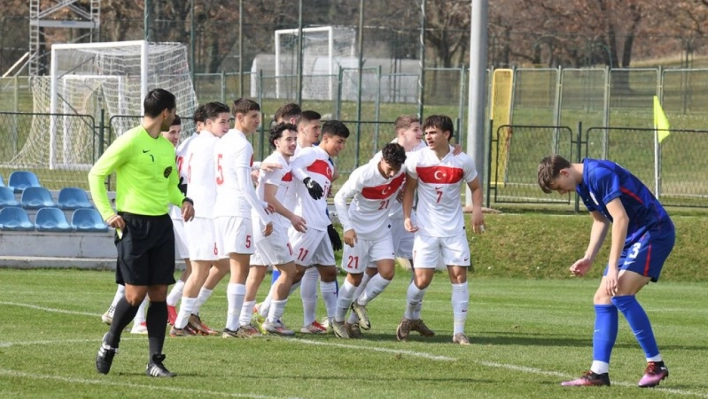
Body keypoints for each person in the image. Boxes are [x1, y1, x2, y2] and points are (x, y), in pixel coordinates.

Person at [537, 155, 674, 388]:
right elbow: (601, 221)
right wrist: (589, 257)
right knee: (602, 297)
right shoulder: (582, 184)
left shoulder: (598, 174)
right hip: (634, 237)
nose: (562, 193)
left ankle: (656, 364)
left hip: (654, 231)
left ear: (564, 173)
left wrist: (613, 268)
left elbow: (620, 218)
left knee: (619, 291)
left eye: (559, 188)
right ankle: (599, 373)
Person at [89, 88, 194, 377]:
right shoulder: (130, 141)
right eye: (172, 112)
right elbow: (96, 174)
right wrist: (108, 214)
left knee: (159, 293)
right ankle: (111, 340)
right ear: (165, 113)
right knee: (135, 296)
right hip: (132, 226)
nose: (174, 117)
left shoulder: (165, 147)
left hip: (161, 225)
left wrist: (184, 200)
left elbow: (170, 185)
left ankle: (155, 361)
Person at [398, 115, 485, 345]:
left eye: (433, 132)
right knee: (422, 280)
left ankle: (458, 332)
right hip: (426, 229)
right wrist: (407, 216)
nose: (428, 136)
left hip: (454, 229)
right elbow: (409, 190)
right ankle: (409, 317)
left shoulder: (462, 160)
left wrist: (477, 209)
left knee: (459, 276)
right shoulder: (417, 159)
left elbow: (475, 187)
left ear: (447, 134)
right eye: (426, 132)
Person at [331, 143, 407, 338]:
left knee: (387, 273)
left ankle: (360, 303)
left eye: (396, 170)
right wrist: (347, 227)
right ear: (382, 160)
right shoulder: (364, 174)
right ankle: (338, 320)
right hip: (358, 232)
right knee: (354, 278)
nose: (392, 174)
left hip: (381, 231)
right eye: (390, 169)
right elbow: (340, 198)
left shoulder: (401, 170)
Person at [170, 102, 231, 337]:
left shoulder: (191, 143)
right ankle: (180, 323)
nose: (226, 126)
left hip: (202, 211)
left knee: (221, 264)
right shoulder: (215, 144)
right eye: (222, 121)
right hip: (203, 212)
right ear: (206, 124)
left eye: (228, 121)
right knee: (200, 269)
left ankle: (190, 314)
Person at [214, 98, 273, 338]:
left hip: (221, 209)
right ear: (240, 118)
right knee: (240, 269)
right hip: (237, 210)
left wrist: (256, 166)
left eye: (258, 117)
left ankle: (232, 324)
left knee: (231, 267)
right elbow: (245, 186)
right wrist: (263, 215)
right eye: (253, 117)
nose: (258, 122)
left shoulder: (223, 141)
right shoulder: (242, 144)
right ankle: (232, 326)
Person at [242, 123, 305, 336]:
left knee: (257, 271)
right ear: (276, 142)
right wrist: (293, 216)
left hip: (266, 222)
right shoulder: (276, 162)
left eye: (295, 138)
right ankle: (272, 320)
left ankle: (242, 321)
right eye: (288, 139)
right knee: (290, 271)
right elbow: (268, 197)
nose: (293, 143)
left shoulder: (282, 162)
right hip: (269, 224)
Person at [288, 120, 349, 332]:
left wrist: (329, 224)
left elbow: (322, 192)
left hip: (321, 224)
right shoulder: (311, 153)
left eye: (343, 143)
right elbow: (293, 165)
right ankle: (267, 311)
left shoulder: (329, 164)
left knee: (329, 272)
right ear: (326, 138)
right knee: (295, 272)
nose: (341, 146)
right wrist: (307, 180)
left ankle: (333, 321)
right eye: (338, 142)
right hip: (306, 222)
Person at [166, 108, 203, 325]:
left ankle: (173, 306)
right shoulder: (193, 146)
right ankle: (169, 309)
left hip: (184, 210)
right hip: (180, 212)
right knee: (196, 265)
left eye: (178, 131)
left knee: (197, 265)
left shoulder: (184, 145)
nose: (176, 136)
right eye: (172, 131)